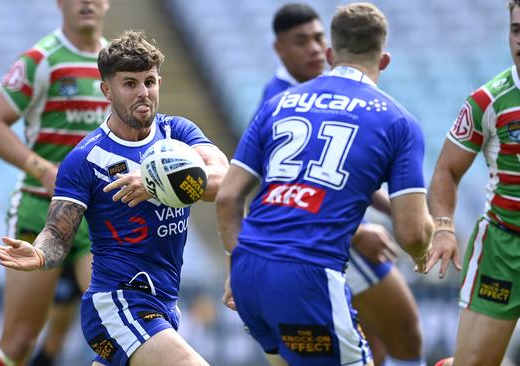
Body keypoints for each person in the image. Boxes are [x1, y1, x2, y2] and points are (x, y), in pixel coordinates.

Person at [0, 30, 229, 366]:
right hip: (117, 305)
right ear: (106, 90)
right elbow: (58, 232)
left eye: (150, 82)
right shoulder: (86, 158)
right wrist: (40, 254)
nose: (143, 93)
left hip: (164, 303)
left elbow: (224, 179)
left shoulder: (179, 134)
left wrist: (156, 182)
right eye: (130, 83)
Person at [215, 3, 434, 365]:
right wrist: (426, 242)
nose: (314, 49)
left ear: (331, 54)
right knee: (403, 336)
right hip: (309, 270)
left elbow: (227, 199)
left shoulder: (277, 103)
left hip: (250, 267)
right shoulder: (398, 120)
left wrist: (235, 265)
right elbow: (411, 234)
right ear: (385, 60)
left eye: (318, 40)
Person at [0, 0, 110, 364]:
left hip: (98, 215)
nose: (87, 2)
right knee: (18, 342)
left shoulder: (116, 64)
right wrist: (41, 168)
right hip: (41, 208)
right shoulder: (41, 59)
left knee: (118, 325)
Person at [428, 1, 520, 365]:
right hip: (503, 249)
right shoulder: (488, 101)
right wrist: (445, 228)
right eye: (516, 30)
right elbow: (445, 172)